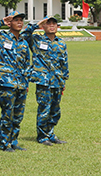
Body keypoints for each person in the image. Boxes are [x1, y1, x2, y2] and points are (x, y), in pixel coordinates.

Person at [0, 12, 36, 152]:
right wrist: (1, 21)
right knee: (7, 114)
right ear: (10, 23)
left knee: (18, 115)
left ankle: (13, 141)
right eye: (16, 20)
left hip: (20, 84)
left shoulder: (24, 42)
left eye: (21, 21)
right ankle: (4, 143)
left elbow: (27, 63)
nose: (19, 23)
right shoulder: (0, 37)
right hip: (6, 83)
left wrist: (26, 82)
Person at [26, 15, 69, 146]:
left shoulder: (61, 43)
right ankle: (42, 136)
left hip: (57, 81)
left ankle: (51, 134)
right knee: (44, 108)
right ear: (43, 26)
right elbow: (24, 33)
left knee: (55, 110)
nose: (51, 26)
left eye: (54, 24)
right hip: (43, 81)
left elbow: (64, 63)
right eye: (48, 23)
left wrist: (63, 81)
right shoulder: (36, 40)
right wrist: (37, 23)